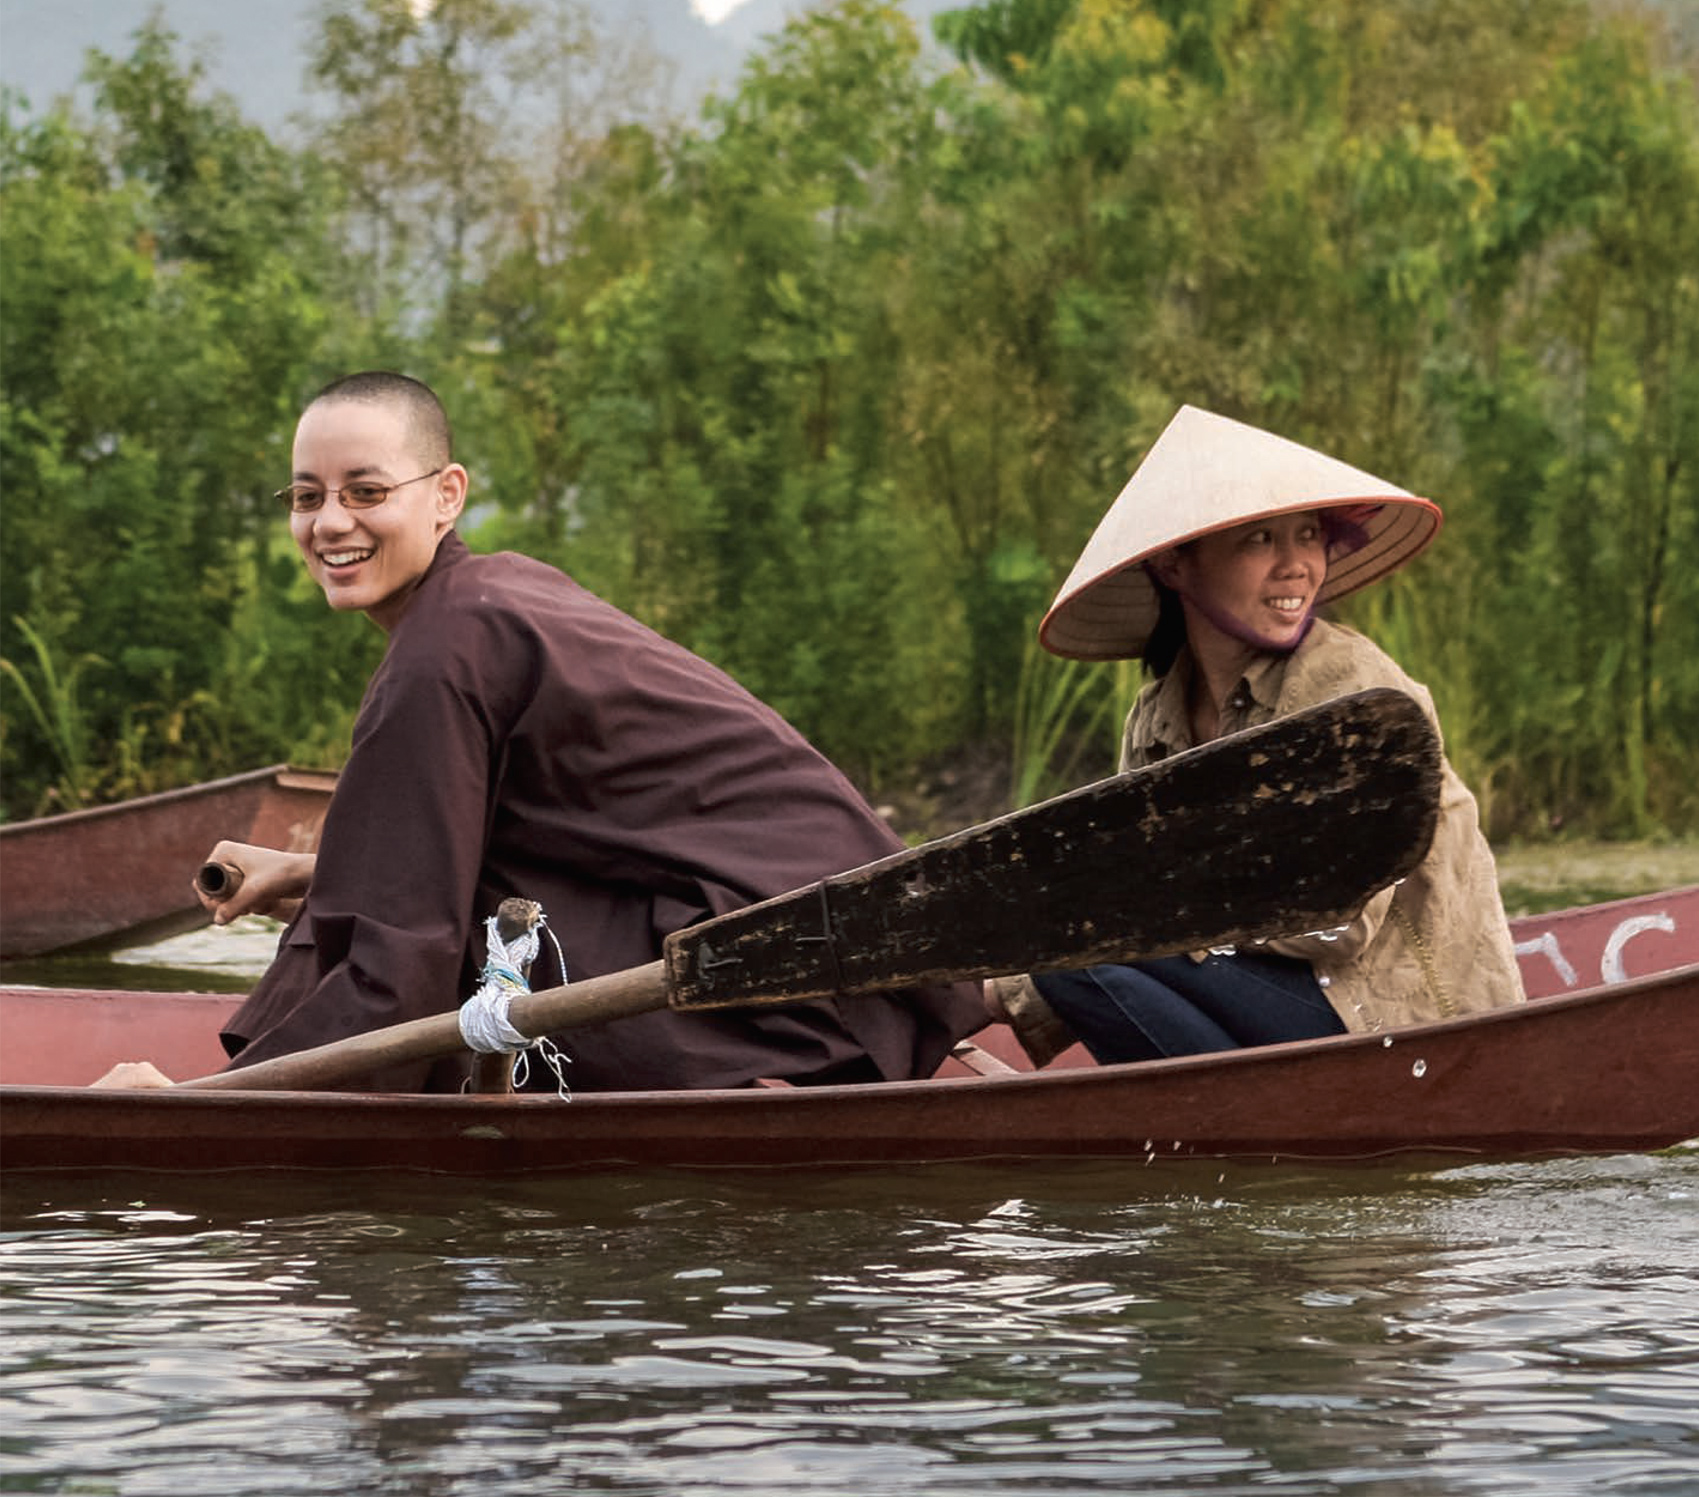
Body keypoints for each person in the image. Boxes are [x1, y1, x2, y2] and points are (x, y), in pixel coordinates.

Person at [96, 371, 986, 1092]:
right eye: (306, 495)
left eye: (366, 491)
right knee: (366, 898)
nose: (330, 522)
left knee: (390, 937)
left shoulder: (442, 654)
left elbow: (399, 962)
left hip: (778, 995)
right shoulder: (489, 596)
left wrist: (201, 1104)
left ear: (445, 496)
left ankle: (247, 1097)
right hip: (850, 981)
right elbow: (477, 861)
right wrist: (312, 872)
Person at [989, 403, 1525, 1066]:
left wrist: (1130, 912)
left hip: (1399, 1025)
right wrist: (1001, 981)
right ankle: (1210, 1138)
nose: (1298, 564)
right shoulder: (1158, 718)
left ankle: (1217, 1131)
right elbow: (1128, 898)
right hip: (1286, 1004)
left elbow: (1339, 921)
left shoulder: (1352, 688)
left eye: (1307, 535)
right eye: (1259, 540)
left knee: (1077, 960)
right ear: (1175, 565)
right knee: (1071, 961)